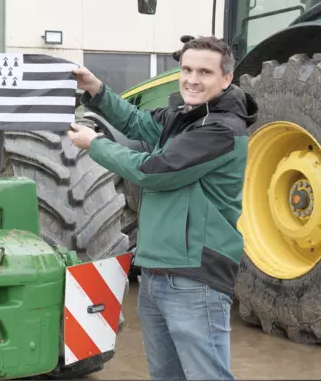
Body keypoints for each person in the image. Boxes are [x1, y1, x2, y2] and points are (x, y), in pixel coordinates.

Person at [67, 36, 258, 380]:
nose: (192, 79)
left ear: (226, 79)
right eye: (186, 69)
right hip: (157, 273)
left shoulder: (221, 129)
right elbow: (139, 124)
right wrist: (96, 90)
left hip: (194, 279)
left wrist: (95, 144)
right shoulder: (185, 116)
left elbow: (155, 171)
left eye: (204, 71)